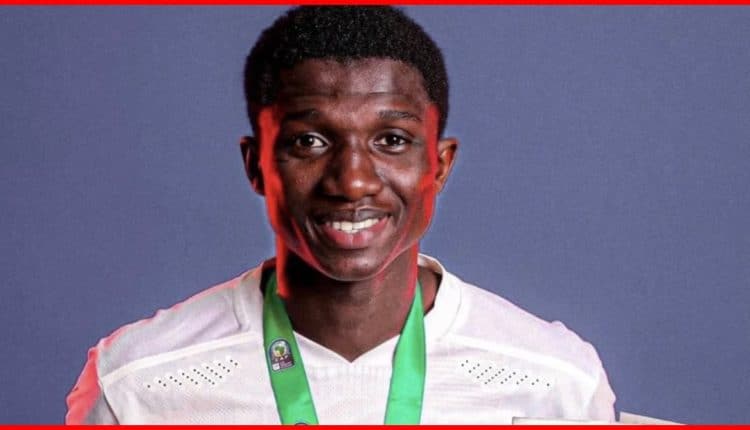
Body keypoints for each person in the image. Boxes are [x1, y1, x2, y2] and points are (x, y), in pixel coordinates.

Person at [65, 6, 615, 424]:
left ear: (439, 165)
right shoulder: (137, 383)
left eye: (391, 140)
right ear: (257, 165)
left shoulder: (555, 382)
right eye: (310, 140)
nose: (352, 181)